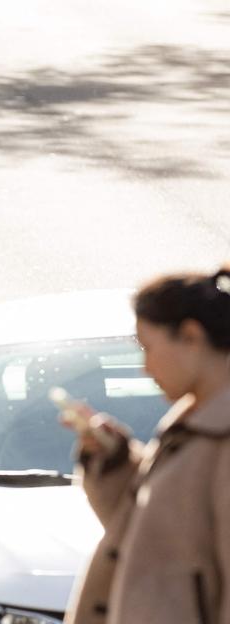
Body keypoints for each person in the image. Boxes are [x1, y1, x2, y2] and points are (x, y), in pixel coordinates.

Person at [63, 267, 230, 624]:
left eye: (148, 347)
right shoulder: (193, 421)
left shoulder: (219, 436)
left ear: (190, 337)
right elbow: (152, 534)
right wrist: (115, 457)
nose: (145, 367)